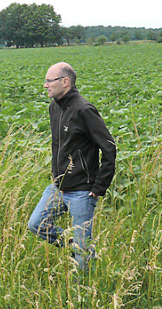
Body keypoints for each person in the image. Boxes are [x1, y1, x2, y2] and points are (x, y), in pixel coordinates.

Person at [28, 62, 116, 271]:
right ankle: (77, 248)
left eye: (49, 81)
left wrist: (98, 187)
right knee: (36, 224)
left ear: (65, 82)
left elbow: (109, 148)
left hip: (82, 192)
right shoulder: (54, 108)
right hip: (58, 187)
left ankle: (83, 294)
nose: (45, 85)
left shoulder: (84, 110)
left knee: (83, 254)